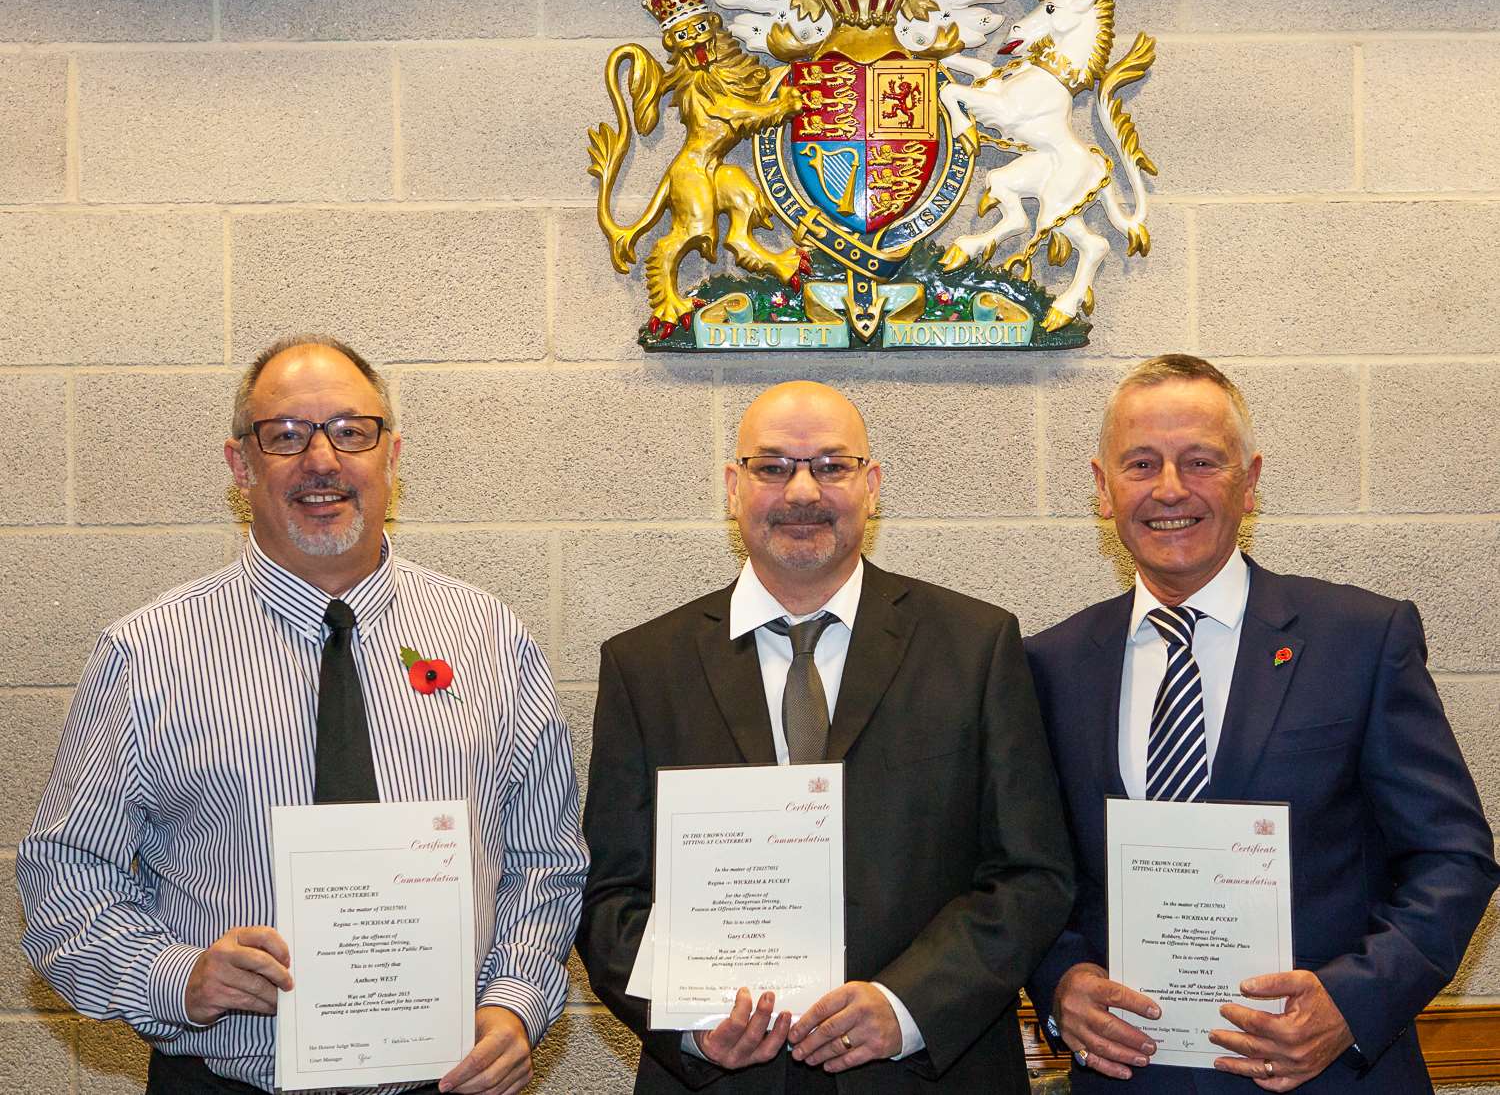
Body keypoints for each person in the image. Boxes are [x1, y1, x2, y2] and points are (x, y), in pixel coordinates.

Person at [17, 336, 588, 1095]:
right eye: (284, 435)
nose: (322, 459)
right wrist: (177, 978)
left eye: (351, 431)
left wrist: (514, 1006)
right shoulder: (148, 653)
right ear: (238, 465)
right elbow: (64, 875)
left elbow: (544, 860)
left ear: (391, 455)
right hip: (231, 1081)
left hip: (450, 1081)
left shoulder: (489, 637)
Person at [576, 380, 1074, 1093]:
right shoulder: (644, 666)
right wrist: (691, 1022)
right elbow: (609, 894)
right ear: (732, 486)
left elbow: (1032, 872)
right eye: (772, 466)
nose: (802, 491)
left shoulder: (975, 645)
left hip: (925, 1072)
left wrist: (906, 1007)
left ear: (872, 486)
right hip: (725, 1078)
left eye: (831, 466)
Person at [1025, 354, 1499, 1092]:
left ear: (1249, 483)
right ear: (1102, 487)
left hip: (1331, 1077)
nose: (1170, 489)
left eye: (1201, 461)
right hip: (1131, 1076)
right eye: (1141, 463)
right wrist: (1058, 983)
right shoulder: (1049, 664)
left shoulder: (1361, 638)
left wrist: (1351, 1001)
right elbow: (1031, 873)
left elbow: (1454, 857)